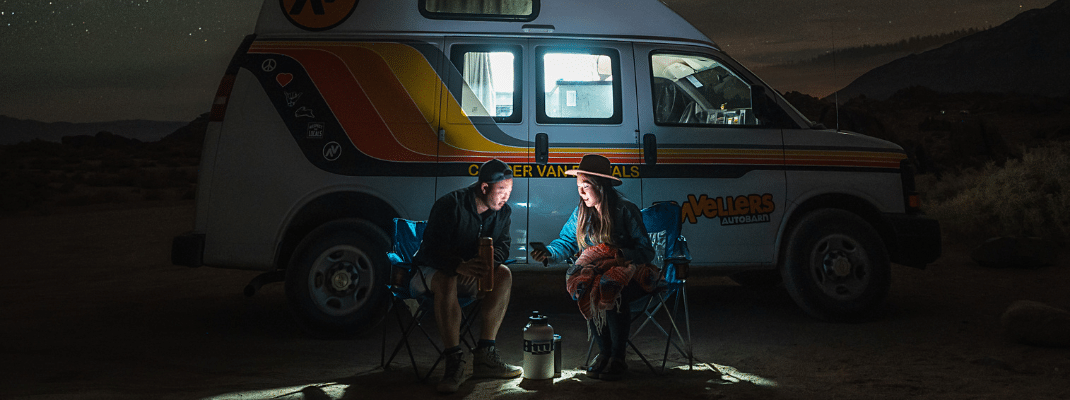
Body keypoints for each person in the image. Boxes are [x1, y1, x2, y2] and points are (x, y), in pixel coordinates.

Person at [530, 154, 658, 381]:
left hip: (631, 275)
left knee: (610, 288)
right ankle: (604, 353)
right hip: (598, 274)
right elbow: (567, 242)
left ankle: (617, 357)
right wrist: (548, 253)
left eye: (585, 186)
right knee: (586, 284)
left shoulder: (625, 210)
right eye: (578, 186)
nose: (580, 192)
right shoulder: (580, 212)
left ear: (602, 186)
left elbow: (646, 251)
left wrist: (619, 256)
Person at [411, 158, 522, 393]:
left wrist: (487, 262)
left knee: (503, 274)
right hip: (431, 273)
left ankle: (485, 354)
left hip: (470, 274)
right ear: (484, 188)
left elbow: (503, 245)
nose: (506, 197)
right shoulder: (450, 205)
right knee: (447, 278)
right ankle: (454, 360)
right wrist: (459, 265)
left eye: (509, 191)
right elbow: (431, 250)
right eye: (502, 191)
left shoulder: (503, 212)